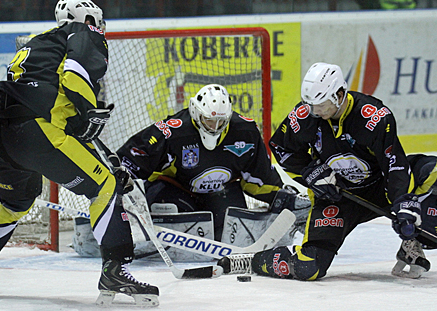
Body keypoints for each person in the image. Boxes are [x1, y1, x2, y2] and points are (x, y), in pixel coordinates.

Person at [0, 0, 158, 306]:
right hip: (37, 131)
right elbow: (77, 74)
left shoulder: (37, 43)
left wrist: (76, 124)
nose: (100, 27)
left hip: (2, 135)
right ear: (89, 18)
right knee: (106, 185)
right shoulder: (83, 33)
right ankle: (115, 271)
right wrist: (83, 117)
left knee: (15, 201)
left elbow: (41, 85)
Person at [218, 62, 431, 281]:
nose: (315, 111)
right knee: (309, 267)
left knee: (432, 177)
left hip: (379, 188)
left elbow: (394, 164)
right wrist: (310, 173)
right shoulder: (306, 115)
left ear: (339, 94)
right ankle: (252, 260)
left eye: (321, 104)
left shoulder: (373, 118)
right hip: (336, 197)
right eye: (310, 105)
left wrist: (404, 203)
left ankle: (411, 243)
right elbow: (280, 148)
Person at [116, 83, 310, 243]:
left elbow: (259, 177)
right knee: (173, 211)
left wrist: (282, 198)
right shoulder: (173, 131)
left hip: (220, 191)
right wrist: (120, 183)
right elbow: (134, 156)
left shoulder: (245, 132)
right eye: (208, 121)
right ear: (195, 111)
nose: (214, 127)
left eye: (220, 122)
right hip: (175, 190)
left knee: (234, 225)